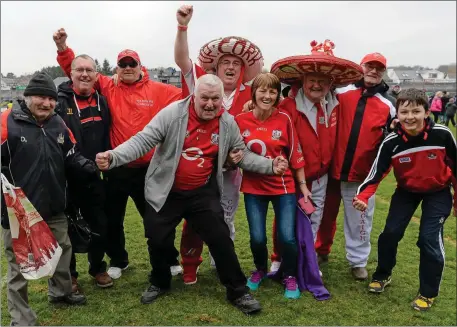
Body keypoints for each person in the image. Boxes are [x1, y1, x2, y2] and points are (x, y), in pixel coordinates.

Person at [95, 74, 288, 314]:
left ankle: (238, 291)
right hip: (167, 190)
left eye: (215, 99)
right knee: (157, 238)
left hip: (201, 192)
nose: (209, 104)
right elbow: (142, 140)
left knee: (221, 237)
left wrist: (270, 166)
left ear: (221, 100)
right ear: (193, 96)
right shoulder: (172, 114)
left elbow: (242, 154)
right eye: (204, 98)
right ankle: (159, 281)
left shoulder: (227, 123)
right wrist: (114, 156)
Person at [53, 28, 183, 279]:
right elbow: (79, 70)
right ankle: (118, 260)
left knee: (156, 218)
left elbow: (189, 95)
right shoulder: (108, 86)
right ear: (117, 68)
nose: (126, 68)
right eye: (122, 64)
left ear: (140, 66)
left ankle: (169, 258)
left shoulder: (159, 90)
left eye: (131, 63)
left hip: (149, 168)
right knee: (113, 219)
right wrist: (62, 48)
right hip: (116, 167)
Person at [174, 4, 264, 283]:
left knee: (225, 216)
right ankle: (190, 264)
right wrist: (182, 27)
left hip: (231, 170)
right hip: (197, 164)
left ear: (243, 69)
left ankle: (220, 258)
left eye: (237, 63)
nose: (231, 67)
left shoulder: (252, 93)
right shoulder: (203, 84)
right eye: (226, 62)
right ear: (216, 66)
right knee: (193, 218)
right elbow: (182, 60)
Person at [1, 73, 97, 325]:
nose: (47, 103)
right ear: (27, 97)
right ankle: (21, 319)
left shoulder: (58, 124)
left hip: (55, 206)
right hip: (18, 213)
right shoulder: (6, 122)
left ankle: (61, 292)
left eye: (51, 99)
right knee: (19, 267)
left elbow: (71, 154)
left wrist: (88, 165)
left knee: (63, 251)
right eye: (41, 97)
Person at [353, 88, 456, 311]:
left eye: (416, 111)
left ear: (427, 112)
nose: (410, 117)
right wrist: (362, 195)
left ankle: (428, 293)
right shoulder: (392, 142)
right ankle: (383, 274)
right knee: (390, 233)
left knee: (428, 238)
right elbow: (377, 172)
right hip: (406, 191)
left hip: (438, 191)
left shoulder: (443, 135)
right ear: (397, 114)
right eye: (404, 111)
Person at [268, 40, 363, 273]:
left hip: (320, 177)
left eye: (322, 81)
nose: (316, 85)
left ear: (331, 83)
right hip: (291, 176)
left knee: (313, 219)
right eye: (312, 80)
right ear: (303, 81)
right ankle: (278, 257)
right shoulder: (287, 107)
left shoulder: (334, 105)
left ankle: (306, 258)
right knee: (284, 219)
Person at [315, 52, 396, 280]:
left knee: (359, 220)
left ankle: (358, 261)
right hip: (331, 169)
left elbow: (390, 142)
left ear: (383, 72)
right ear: (361, 67)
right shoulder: (340, 93)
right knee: (324, 215)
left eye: (378, 68)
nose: (373, 71)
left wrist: (376, 174)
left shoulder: (389, 105)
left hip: (361, 175)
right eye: (369, 66)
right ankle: (321, 249)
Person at [234, 73, 310, 299]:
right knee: (257, 237)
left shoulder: (284, 119)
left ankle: (289, 275)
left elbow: (296, 153)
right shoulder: (240, 120)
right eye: (263, 91)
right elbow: (234, 154)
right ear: (254, 93)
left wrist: (303, 185)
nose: (267, 96)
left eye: (272, 91)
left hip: (283, 187)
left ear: (278, 95)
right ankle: (258, 269)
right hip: (253, 188)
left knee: (287, 237)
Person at [55, 54, 112, 292]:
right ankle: (71, 275)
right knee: (68, 227)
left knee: (99, 223)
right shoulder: (60, 103)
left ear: (96, 76)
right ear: (71, 74)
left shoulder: (102, 101)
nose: (85, 74)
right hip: (66, 177)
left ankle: (97, 268)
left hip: (94, 176)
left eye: (90, 70)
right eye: (80, 70)